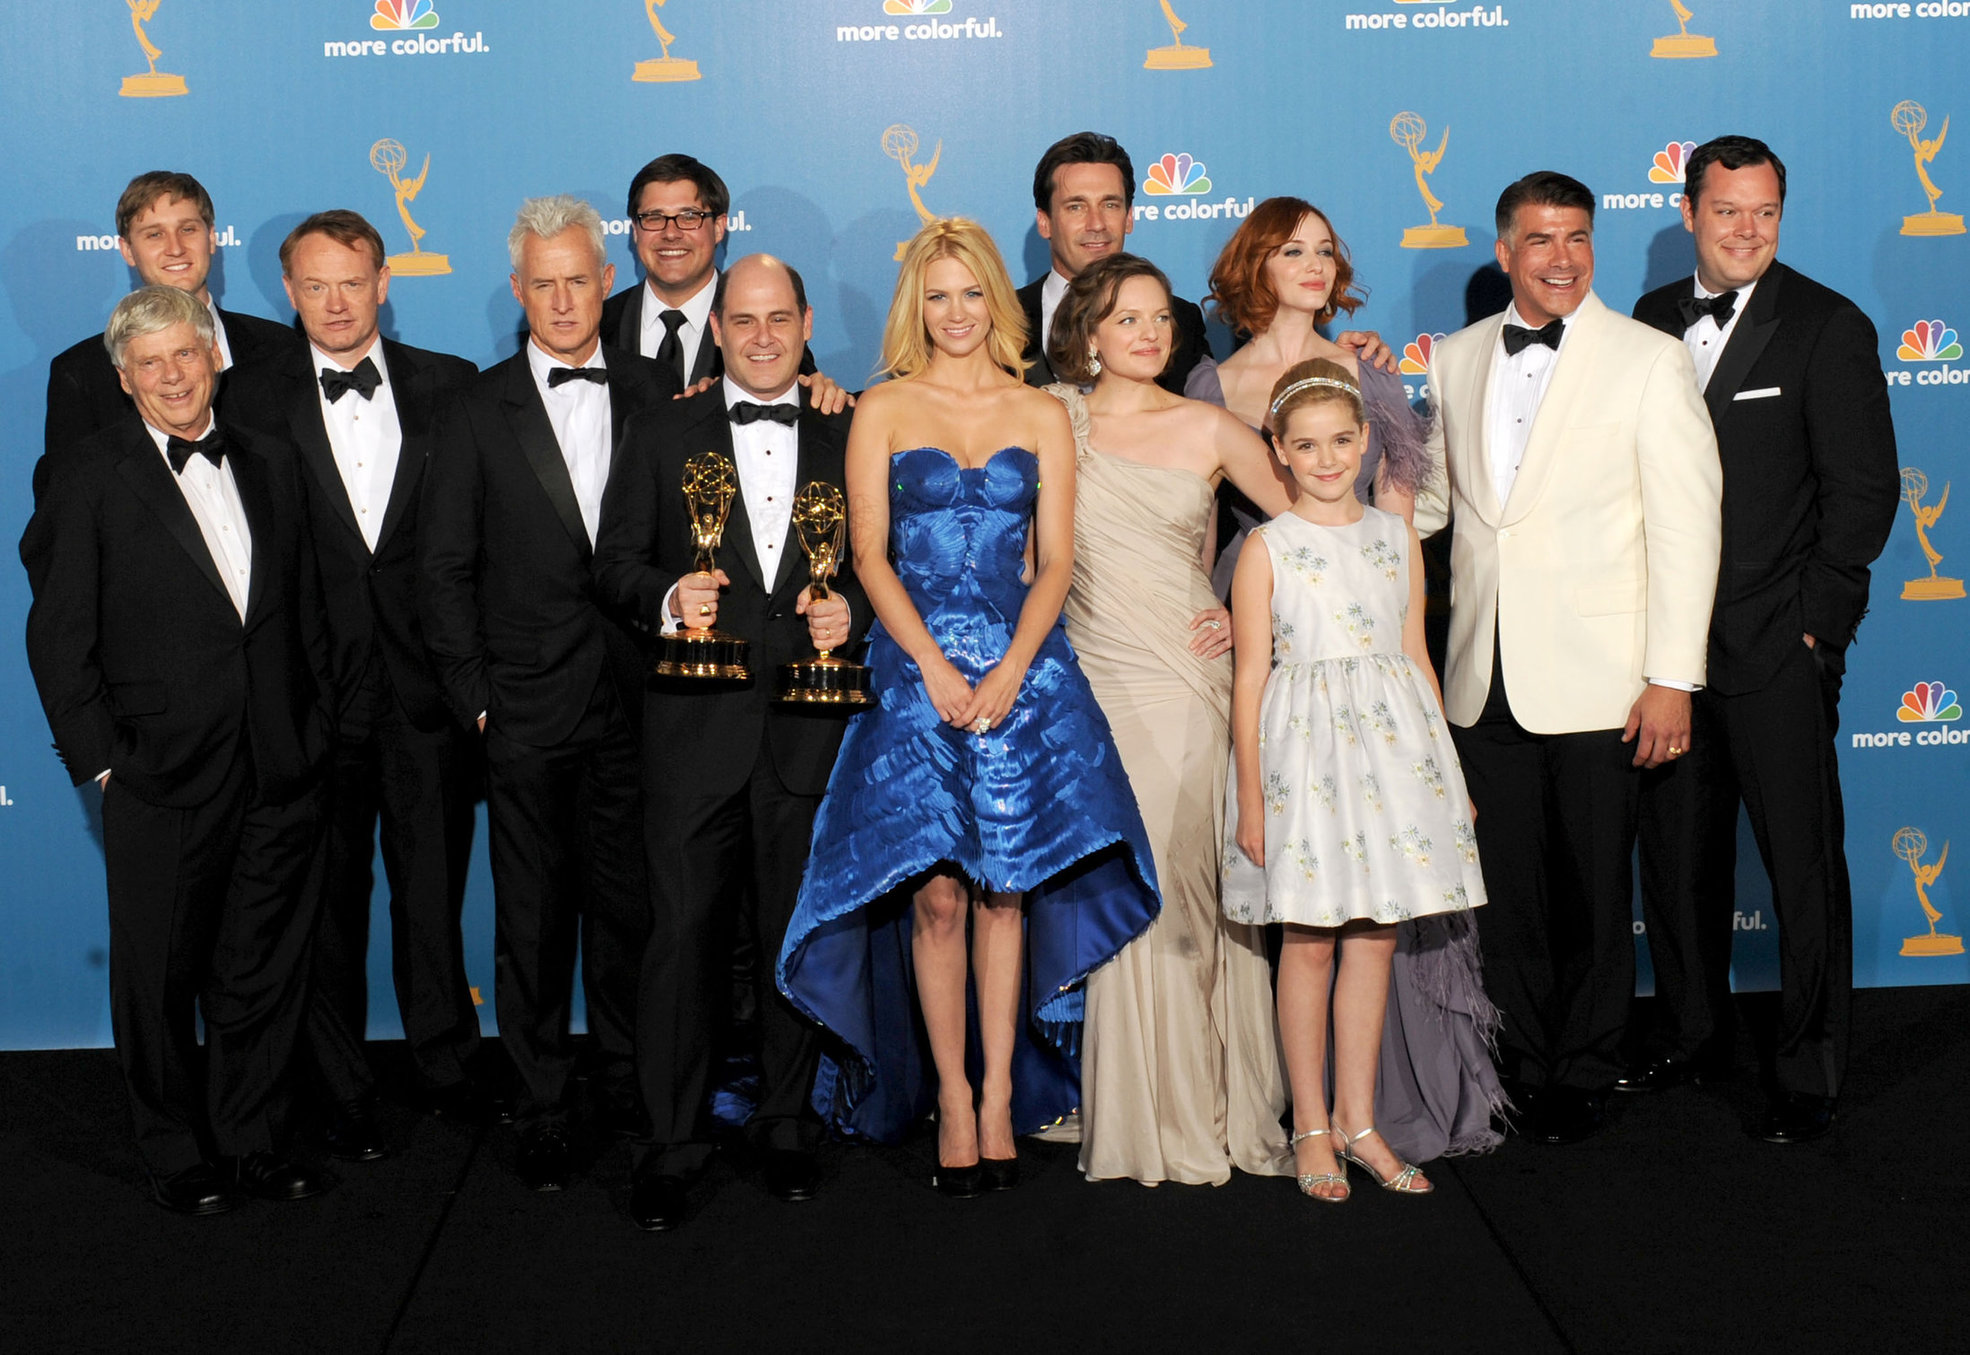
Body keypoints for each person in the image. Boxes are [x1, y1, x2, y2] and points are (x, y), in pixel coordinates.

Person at [777, 218, 1160, 1197]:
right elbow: (867, 555)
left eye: (970, 292)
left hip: (1022, 671)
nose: (955, 312)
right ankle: (950, 1092)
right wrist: (935, 669)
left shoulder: (1039, 414)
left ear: (997, 298)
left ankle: (998, 1094)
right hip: (913, 674)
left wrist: (1009, 669)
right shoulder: (883, 406)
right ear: (918, 306)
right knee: (936, 894)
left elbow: (1057, 560)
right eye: (936, 295)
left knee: (1005, 887)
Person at [1414, 172, 1723, 1145]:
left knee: (1593, 887)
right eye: (1540, 239)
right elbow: (1425, 508)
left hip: (1602, 678)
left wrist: (1671, 672)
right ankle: (1512, 1059)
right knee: (1505, 890)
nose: (1560, 256)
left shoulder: (1645, 358)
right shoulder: (1456, 357)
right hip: (1481, 676)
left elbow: (1686, 523)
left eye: (1576, 237)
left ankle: (1582, 1066)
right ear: (1504, 251)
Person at [21, 286, 335, 1214]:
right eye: (148, 363)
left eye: (184, 356)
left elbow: (306, 613)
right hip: (160, 772)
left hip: (277, 765)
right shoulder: (86, 475)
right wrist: (107, 760)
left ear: (215, 358)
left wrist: (310, 731)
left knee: (261, 971)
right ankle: (172, 1147)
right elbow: (57, 635)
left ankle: (252, 1142)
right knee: (157, 977)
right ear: (123, 380)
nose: (170, 375)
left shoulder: (273, 460)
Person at [1628, 137, 1899, 1143]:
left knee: (1798, 866)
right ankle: (1691, 1034)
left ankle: (1806, 1067)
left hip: (1775, 649)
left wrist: (1813, 631)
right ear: (1688, 211)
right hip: (1663, 660)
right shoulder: (1648, 321)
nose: (1746, 230)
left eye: (1764, 212)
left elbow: (1861, 496)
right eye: (1727, 210)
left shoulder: (1827, 326)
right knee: (1674, 859)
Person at [594, 254, 863, 1231]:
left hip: (806, 724)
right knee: (681, 939)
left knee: (794, 928)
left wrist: (854, 615)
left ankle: (785, 1122)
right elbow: (614, 561)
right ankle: (672, 1140)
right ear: (715, 329)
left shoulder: (850, 423)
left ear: (803, 322)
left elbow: (880, 561)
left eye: (777, 318)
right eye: (740, 319)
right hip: (690, 729)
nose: (759, 335)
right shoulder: (663, 427)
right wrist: (666, 596)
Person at [225, 211, 487, 1157]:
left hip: (428, 698)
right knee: (324, 906)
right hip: (312, 701)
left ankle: (447, 1063)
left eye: (353, 281)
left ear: (384, 283)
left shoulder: (451, 385)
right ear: (288, 294)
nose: (335, 302)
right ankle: (336, 1084)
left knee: (433, 893)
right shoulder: (242, 399)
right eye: (314, 285)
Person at [419, 196, 667, 1190]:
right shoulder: (474, 408)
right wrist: (477, 698)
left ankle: (628, 1080)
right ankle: (543, 1098)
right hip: (522, 707)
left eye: (579, 277)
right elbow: (441, 570)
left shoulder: (661, 389)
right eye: (543, 282)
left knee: (629, 907)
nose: (563, 298)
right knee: (528, 919)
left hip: (644, 701)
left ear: (606, 282)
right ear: (517, 291)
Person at [1037, 253, 1293, 1186]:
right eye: (1124, 317)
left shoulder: (1210, 426)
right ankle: (1141, 1105)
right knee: (1121, 888)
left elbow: (1313, 527)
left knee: (1186, 884)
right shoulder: (1051, 418)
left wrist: (1246, 605)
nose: (1148, 332)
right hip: (1089, 681)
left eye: (1157, 318)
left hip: (1188, 680)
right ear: (1088, 333)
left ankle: (1208, 1106)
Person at [1226, 358, 1495, 1200]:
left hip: (1394, 756)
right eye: (1306, 445)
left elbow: (1416, 655)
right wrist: (1250, 794)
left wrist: (1446, 769)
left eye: (1342, 440)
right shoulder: (1267, 548)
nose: (1328, 457)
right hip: (1303, 764)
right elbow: (1249, 680)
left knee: (1375, 935)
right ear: (1279, 450)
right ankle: (1309, 1122)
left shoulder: (1396, 537)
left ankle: (1359, 1119)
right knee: (1307, 941)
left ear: (1368, 438)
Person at [1191, 197, 1428, 595]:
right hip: (1252, 595)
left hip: (1357, 586)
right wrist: (1200, 608)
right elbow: (1199, 525)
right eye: (1293, 252)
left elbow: (1398, 526)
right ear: (1255, 264)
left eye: (1325, 251)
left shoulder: (1371, 369)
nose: (1316, 265)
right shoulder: (1210, 386)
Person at [42, 171, 297, 486]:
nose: (175, 248)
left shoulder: (281, 346)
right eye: (154, 234)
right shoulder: (81, 373)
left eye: (188, 229)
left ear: (212, 238)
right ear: (127, 250)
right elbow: (67, 505)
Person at [1018, 132, 1211, 393]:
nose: (1096, 224)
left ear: (1129, 217)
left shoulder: (1181, 320)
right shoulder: (1003, 317)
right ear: (1045, 222)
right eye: (1076, 207)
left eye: (1110, 205)